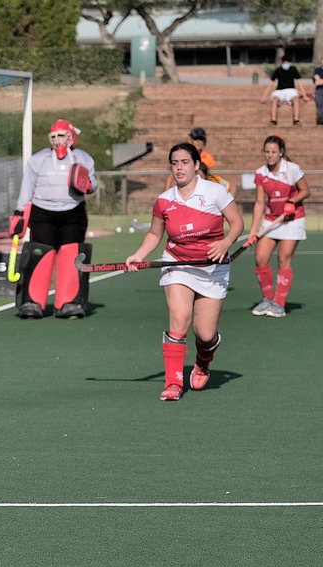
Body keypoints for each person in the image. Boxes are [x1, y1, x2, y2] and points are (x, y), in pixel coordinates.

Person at [124, 143, 244, 402]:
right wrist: (138, 255)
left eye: (185, 162)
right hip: (177, 264)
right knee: (179, 319)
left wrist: (225, 243)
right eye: (175, 163)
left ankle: (203, 359)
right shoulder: (164, 200)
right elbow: (155, 233)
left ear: (197, 165)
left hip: (212, 269)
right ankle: (173, 382)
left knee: (205, 334)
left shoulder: (215, 192)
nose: (179, 168)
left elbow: (237, 223)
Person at [12, 119, 98, 319]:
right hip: (42, 213)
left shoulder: (84, 158)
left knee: (71, 255)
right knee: (40, 254)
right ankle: (32, 302)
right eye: (54, 136)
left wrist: (87, 184)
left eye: (62, 135)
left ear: (71, 136)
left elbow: (93, 185)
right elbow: (27, 186)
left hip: (73, 212)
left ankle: (69, 302)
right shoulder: (38, 159)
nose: (58, 139)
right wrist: (19, 212)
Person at [249, 135, 310, 318]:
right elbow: (260, 203)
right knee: (260, 258)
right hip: (271, 220)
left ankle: (279, 304)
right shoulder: (260, 173)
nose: (270, 155)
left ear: (281, 152)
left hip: (292, 220)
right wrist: (254, 230)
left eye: (274, 152)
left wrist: (292, 201)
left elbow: (306, 191)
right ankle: (267, 299)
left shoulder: (292, 169)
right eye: (267, 152)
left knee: (284, 258)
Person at [163, 127, 235, 197]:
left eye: (201, 139)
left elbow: (203, 174)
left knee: (231, 187)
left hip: (202, 182)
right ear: (190, 140)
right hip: (185, 182)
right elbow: (172, 176)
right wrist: (165, 194)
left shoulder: (207, 157)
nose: (198, 142)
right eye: (195, 139)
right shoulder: (183, 154)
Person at [261, 56, 308, 126]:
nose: (286, 64)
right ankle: (273, 120)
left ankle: (296, 120)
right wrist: (264, 96)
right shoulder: (278, 70)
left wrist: (304, 96)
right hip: (279, 91)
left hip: (291, 90)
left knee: (296, 99)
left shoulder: (293, 69)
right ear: (282, 63)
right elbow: (271, 84)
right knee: (275, 100)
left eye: (287, 62)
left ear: (290, 63)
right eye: (284, 62)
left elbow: (299, 83)